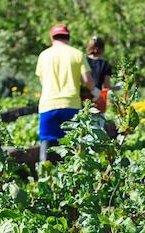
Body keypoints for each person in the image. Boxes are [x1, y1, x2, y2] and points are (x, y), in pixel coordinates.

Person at [36, 24, 100, 162]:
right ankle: (72, 178)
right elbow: (87, 80)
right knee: (73, 145)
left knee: (46, 143)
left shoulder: (43, 55)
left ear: (52, 38)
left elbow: (42, 81)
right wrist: (95, 91)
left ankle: (44, 176)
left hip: (48, 106)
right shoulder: (77, 54)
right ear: (68, 37)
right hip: (71, 105)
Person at [80, 36, 112, 126]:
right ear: (102, 49)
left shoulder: (83, 60)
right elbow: (107, 86)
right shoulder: (105, 65)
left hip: (82, 97)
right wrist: (116, 87)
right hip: (97, 98)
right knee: (96, 128)